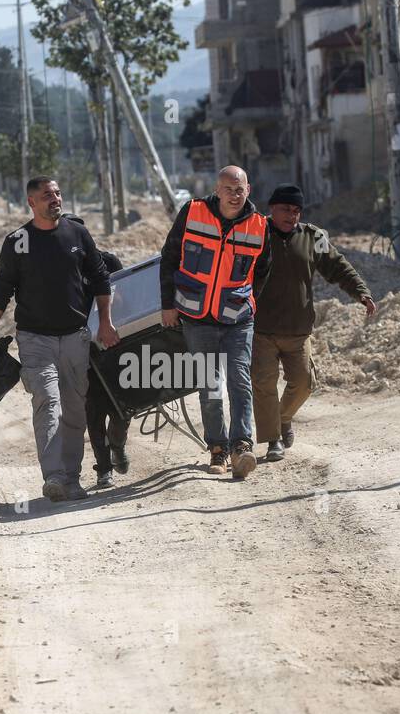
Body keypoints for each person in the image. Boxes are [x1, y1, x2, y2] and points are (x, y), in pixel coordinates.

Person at [0, 179, 120, 502]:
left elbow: (100, 277)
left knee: (74, 409)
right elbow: (0, 292)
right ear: (31, 202)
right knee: (47, 401)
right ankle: (54, 476)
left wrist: (106, 323)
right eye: (47, 196)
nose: (55, 199)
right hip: (34, 340)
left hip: (75, 338)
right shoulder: (17, 242)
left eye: (57, 194)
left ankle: (72, 477)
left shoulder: (77, 233)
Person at [160, 165, 271, 479]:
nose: (234, 196)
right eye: (228, 189)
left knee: (239, 379)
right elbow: (169, 257)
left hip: (238, 318)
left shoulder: (259, 226)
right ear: (217, 190)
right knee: (210, 385)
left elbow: (262, 272)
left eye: (240, 190)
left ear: (247, 189)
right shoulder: (193, 212)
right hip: (197, 317)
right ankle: (218, 449)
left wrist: (248, 302)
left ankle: (241, 445)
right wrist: (168, 305)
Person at [252, 183, 375, 462]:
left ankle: (283, 418)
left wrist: (361, 293)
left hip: (298, 329)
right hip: (261, 328)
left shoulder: (314, 236)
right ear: (272, 208)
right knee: (264, 384)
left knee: (305, 382)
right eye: (285, 209)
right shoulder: (255, 234)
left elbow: (338, 266)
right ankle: (273, 441)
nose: (291, 215)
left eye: (296, 211)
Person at [83, 244, 130, 489]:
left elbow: (126, 296)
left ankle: (118, 446)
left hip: (115, 343)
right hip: (84, 350)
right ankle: (103, 469)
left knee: (123, 406)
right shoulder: (62, 267)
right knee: (94, 410)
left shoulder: (108, 261)